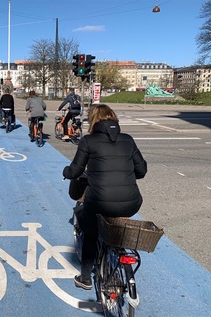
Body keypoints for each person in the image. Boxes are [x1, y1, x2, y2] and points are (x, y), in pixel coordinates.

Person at [62, 104, 147, 290]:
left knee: (90, 230)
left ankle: (85, 278)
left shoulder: (88, 141)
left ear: (93, 120)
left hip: (100, 201)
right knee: (114, 217)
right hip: (131, 203)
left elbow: (75, 170)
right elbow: (142, 170)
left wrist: (67, 172)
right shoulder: (128, 140)